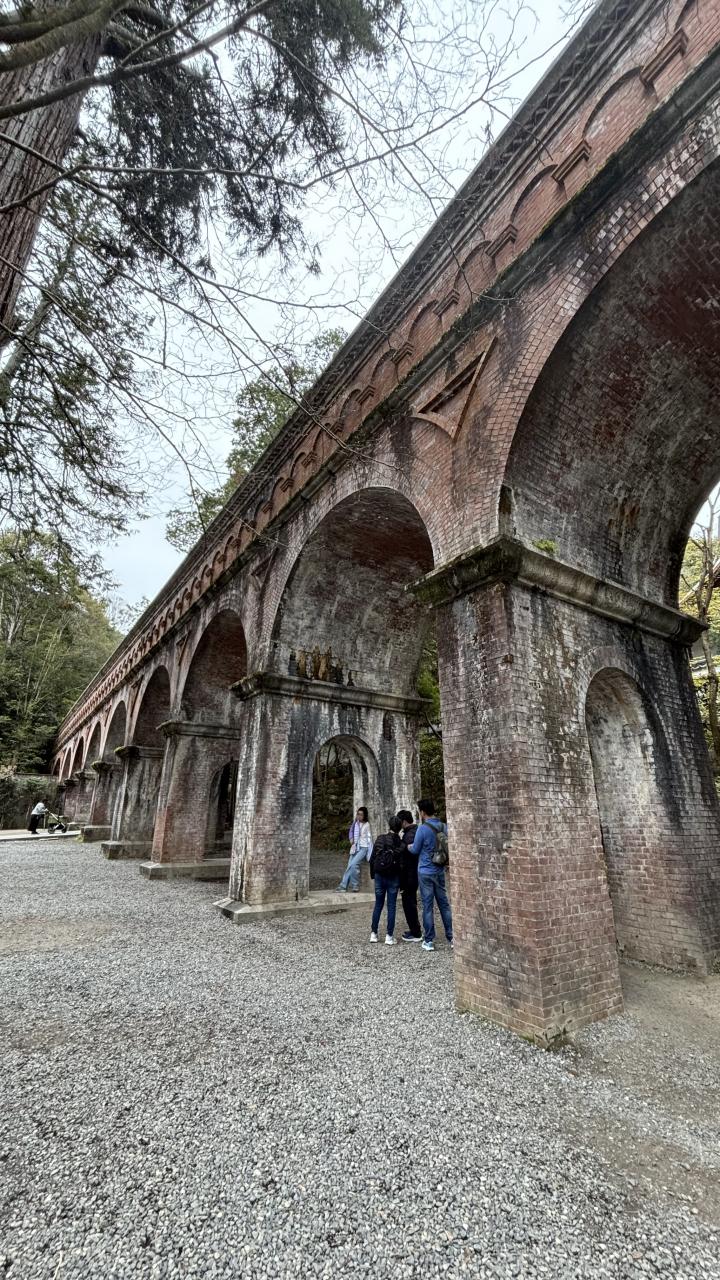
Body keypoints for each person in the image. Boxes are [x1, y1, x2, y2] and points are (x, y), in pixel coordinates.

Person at [409, 798, 453, 952]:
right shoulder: (443, 826)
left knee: (427, 907)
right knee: (444, 905)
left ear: (422, 812)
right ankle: (452, 937)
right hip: (439, 870)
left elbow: (415, 850)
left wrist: (408, 846)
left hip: (425, 871)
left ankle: (429, 941)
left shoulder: (422, 829)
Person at [369, 815, 404, 945]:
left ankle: (374, 934)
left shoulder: (380, 838)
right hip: (393, 876)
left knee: (378, 904)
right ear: (400, 828)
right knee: (391, 906)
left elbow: (372, 859)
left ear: (389, 825)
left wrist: (374, 875)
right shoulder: (400, 843)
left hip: (379, 875)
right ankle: (389, 936)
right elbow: (402, 864)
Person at [397, 809, 422, 942]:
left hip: (409, 875)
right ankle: (415, 930)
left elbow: (407, 858)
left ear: (404, 821)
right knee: (411, 903)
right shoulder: (415, 831)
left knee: (409, 904)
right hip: (414, 873)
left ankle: (416, 932)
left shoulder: (409, 835)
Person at [338, 806, 372, 892]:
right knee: (349, 866)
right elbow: (351, 831)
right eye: (358, 814)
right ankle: (343, 886)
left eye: (361, 815)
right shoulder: (355, 823)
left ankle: (355, 885)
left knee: (353, 864)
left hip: (363, 848)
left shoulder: (367, 825)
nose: (359, 816)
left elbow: (369, 839)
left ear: (365, 816)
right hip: (355, 847)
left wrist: (369, 851)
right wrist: (351, 839)